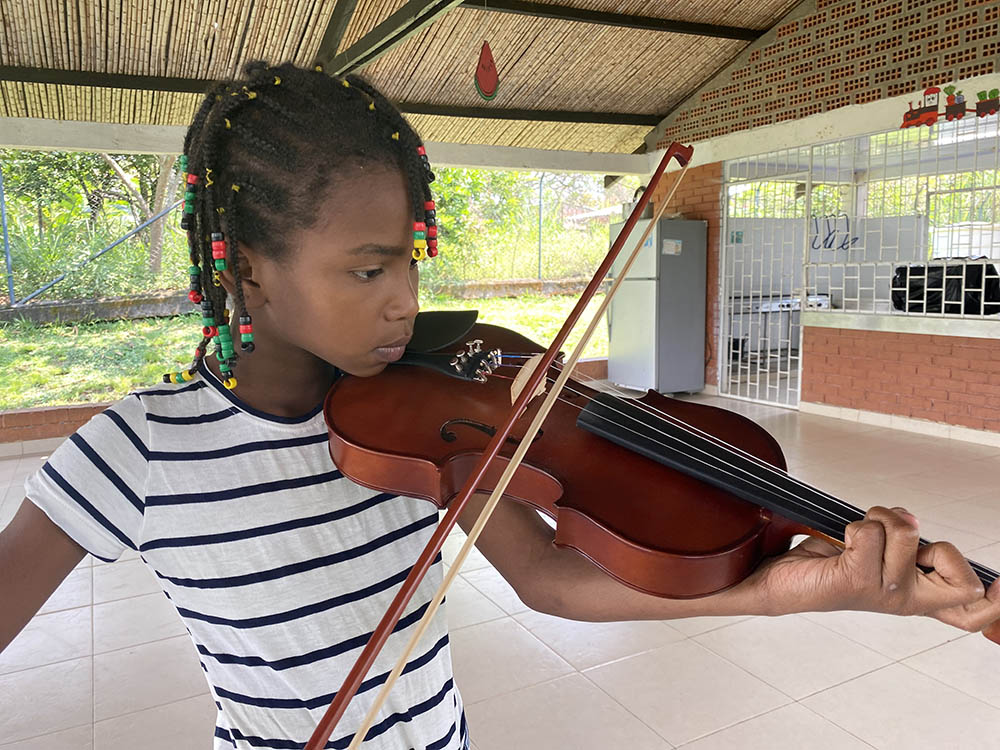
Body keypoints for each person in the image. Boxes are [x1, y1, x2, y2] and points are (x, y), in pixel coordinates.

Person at [1, 61, 998, 750]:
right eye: (365, 269)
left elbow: (552, 583)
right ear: (252, 270)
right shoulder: (135, 451)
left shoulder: (424, 416)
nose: (406, 301)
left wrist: (788, 590)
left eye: (407, 261)